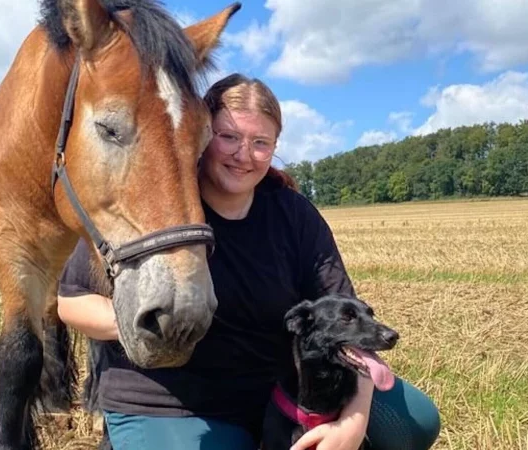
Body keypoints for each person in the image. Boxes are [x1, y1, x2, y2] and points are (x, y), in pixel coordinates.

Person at [56, 73, 441, 450]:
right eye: (229, 137)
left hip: (278, 392)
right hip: (171, 403)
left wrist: (351, 425)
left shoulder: (293, 214)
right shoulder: (151, 201)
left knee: (413, 423)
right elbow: (72, 301)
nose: (243, 155)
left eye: (260, 142)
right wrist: (160, 321)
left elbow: (349, 326)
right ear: (202, 135)